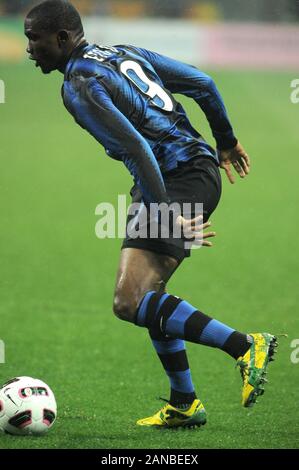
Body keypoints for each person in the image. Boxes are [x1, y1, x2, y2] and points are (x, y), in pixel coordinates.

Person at [24, 0, 278, 429]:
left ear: (63, 38)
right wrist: (226, 140)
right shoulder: (125, 52)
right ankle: (184, 402)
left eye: (35, 38)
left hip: (174, 179)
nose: (29, 47)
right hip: (189, 173)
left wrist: (165, 213)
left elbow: (136, 149)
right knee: (148, 294)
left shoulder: (79, 84)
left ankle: (244, 346)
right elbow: (203, 83)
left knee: (129, 301)